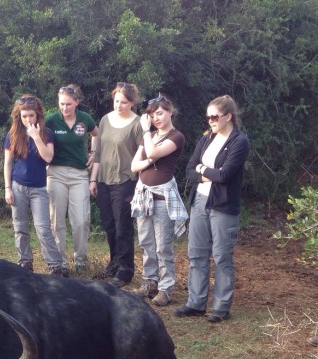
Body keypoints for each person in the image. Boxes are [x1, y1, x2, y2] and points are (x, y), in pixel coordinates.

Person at [174, 95, 250, 323]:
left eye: (214, 116)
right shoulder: (206, 139)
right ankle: (196, 303)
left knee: (222, 256)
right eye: (208, 116)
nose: (210, 120)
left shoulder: (239, 141)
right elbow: (189, 170)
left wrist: (202, 170)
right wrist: (206, 172)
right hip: (200, 202)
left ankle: (220, 307)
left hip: (223, 206)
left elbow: (225, 175)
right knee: (196, 253)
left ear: (228, 116)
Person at [129, 94, 187, 306]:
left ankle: (166, 288)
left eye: (160, 113)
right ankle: (149, 282)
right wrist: (150, 159)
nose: (156, 118)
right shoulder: (150, 135)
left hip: (162, 198)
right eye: (152, 115)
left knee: (163, 246)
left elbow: (152, 151)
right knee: (146, 243)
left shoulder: (176, 136)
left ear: (170, 112)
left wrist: (147, 141)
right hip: (144, 196)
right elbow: (134, 166)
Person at [3, 95, 65, 275]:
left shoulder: (47, 134)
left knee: (43, 229)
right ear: (18, 117)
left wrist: (36, 137)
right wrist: (7, 188)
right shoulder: (12, 134)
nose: (28, 120)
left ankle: (55, 266)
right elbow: (7, 163)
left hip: (39, 188)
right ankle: (25, 263)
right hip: (17, 186)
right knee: (20, 228)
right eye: (24, 116)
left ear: (37, 115)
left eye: (31, 115)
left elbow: (48, 158)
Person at [90, 82, 144, 288]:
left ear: (132, 103)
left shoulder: (137, 123)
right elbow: (99, 152)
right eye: (116, 101)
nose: (119, 105)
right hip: (104, 179)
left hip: (125, 180)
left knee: (123, 227)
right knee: (109, 225)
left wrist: (138, 183)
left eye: (123, 102)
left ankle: (125, 270)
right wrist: (93, 179)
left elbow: (143, 152)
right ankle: (114, 264)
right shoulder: (105, 119)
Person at [45, 84, 99, 274]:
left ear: (77, 102)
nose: (65, 108)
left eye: (68, 104)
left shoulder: (85, 119)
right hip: (56, 173)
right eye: (61, 104)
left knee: (81, 220)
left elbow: (96, 134)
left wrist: (94, 152)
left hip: (79, 174)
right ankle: (60, 264)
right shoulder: (51, 120)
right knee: (56, 220)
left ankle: (81, 261)